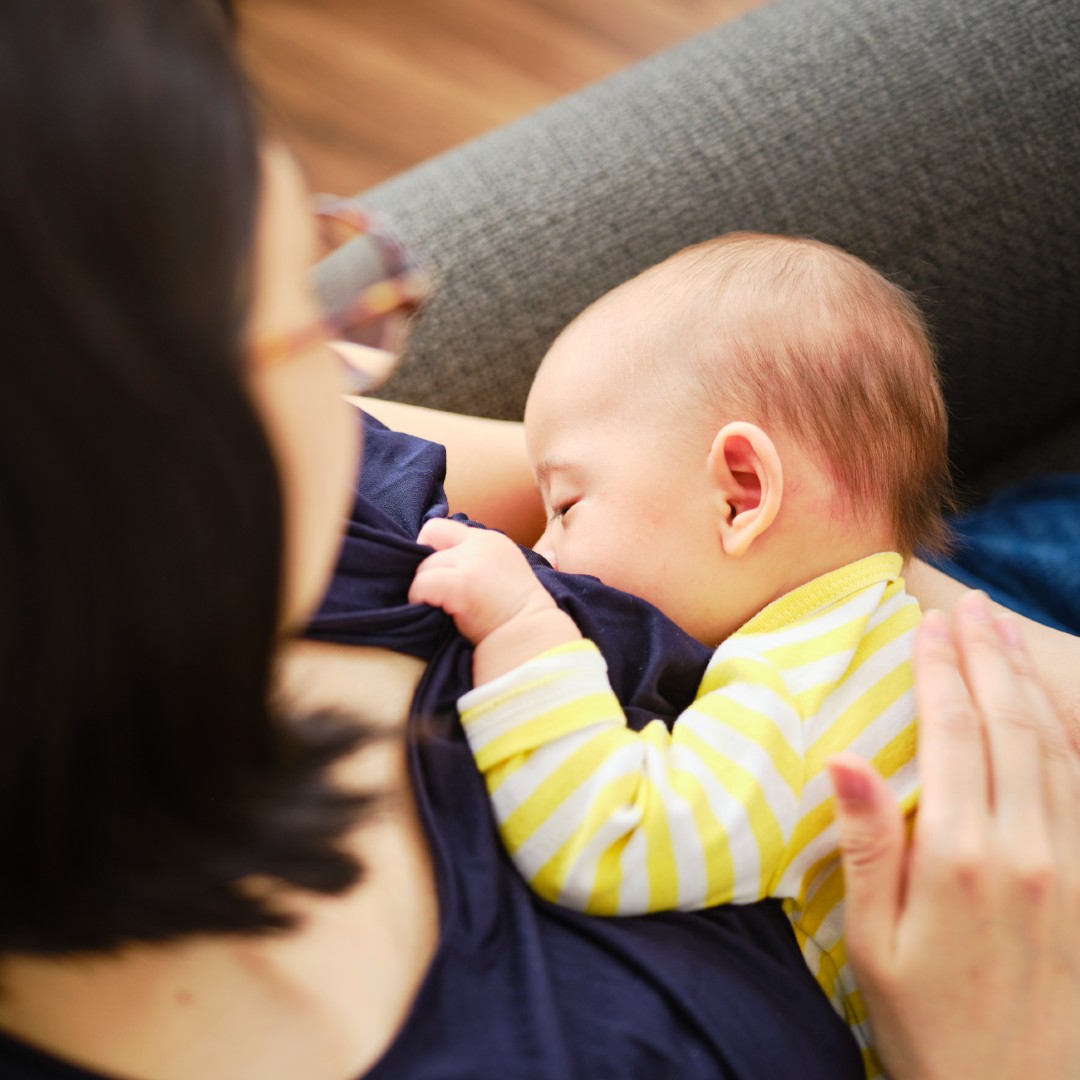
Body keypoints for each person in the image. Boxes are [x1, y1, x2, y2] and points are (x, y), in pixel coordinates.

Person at [0, 3, 1078, 1080]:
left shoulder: (318, 515)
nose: (360, 397)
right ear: (138, 469)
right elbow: (627, 806)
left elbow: (710, 494)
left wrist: (924, 618)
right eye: (316, 323)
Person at [408, 231, 952, 1074]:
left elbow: (616, 837)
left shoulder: (801, 688)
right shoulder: (885, 643)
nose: (545, 554)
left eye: (566, 503)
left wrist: (523, 631)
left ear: (741, 494)